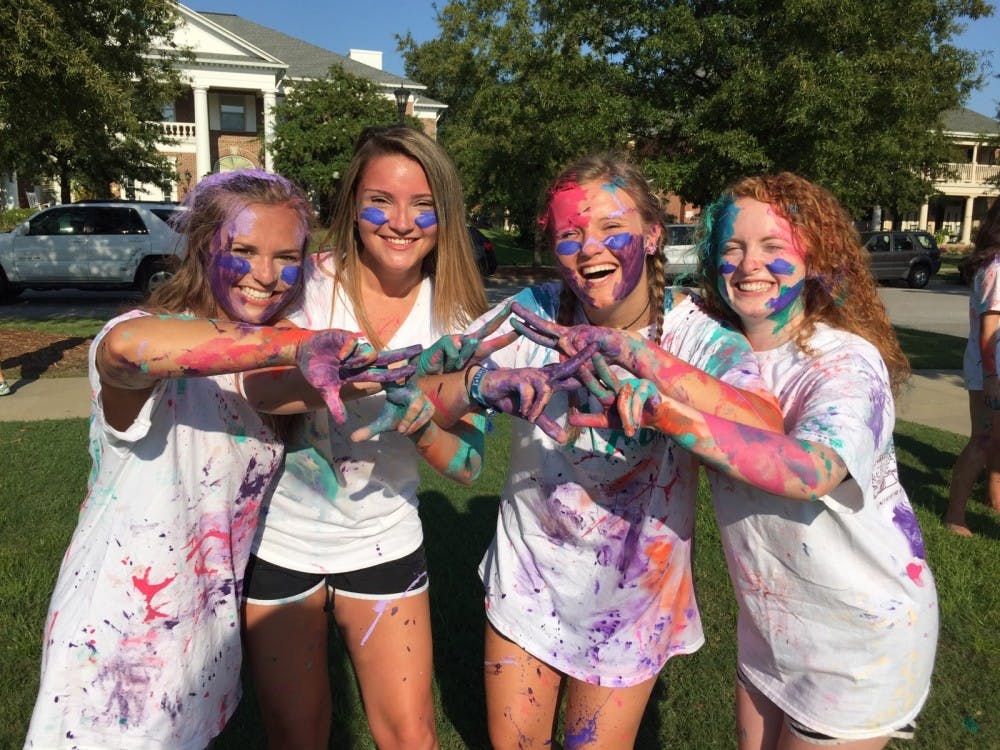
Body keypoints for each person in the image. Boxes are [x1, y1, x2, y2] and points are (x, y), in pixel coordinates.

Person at [23, 169, 408, 750]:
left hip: (203, 637)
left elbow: (360, 376)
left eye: (287, 257)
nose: (266, 275)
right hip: (115, 642)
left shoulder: (264, 374)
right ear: (202, 247)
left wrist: (446, 376)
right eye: (244, 251)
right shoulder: (139, 334)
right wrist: (298, 343)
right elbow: (129, 353)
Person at [422, 153, 784, 749]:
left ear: (652, 231)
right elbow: (427, 398)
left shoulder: (694, 334)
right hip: (529, 579)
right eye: (570, 234)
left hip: (635, 597)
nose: (591, 249)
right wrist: (479, 386)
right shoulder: (534, 316)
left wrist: (649, 371)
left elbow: (765, 431)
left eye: (611, 229)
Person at [592, 173, 937, 749]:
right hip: (773, 630)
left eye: (774, 247)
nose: (750, 264)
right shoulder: (720, 356)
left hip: (857, 635)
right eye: (732, 248)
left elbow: (813, 469)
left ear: (815, 257)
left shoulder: (843, 361)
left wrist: (671, 415)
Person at [241, 126, 493, 750]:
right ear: (353, 204)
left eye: (423, 204)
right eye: (381, 200)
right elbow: (257, 388)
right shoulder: (305, 282)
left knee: (411, 736)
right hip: (280, 542)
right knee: (297, 736)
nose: (401, 222)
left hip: (385, 542)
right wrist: (355, 380)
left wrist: (422, 422)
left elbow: (468, 465)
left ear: (445, 214)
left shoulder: (460, 319)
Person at [946, 198, 1000, 535]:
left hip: (991, 370)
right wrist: (993, 377)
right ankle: (954, 515)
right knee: (983, 439)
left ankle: (994, 496)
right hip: (991, 372)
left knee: (997, 439)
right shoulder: (996, 268)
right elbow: (990, 329)